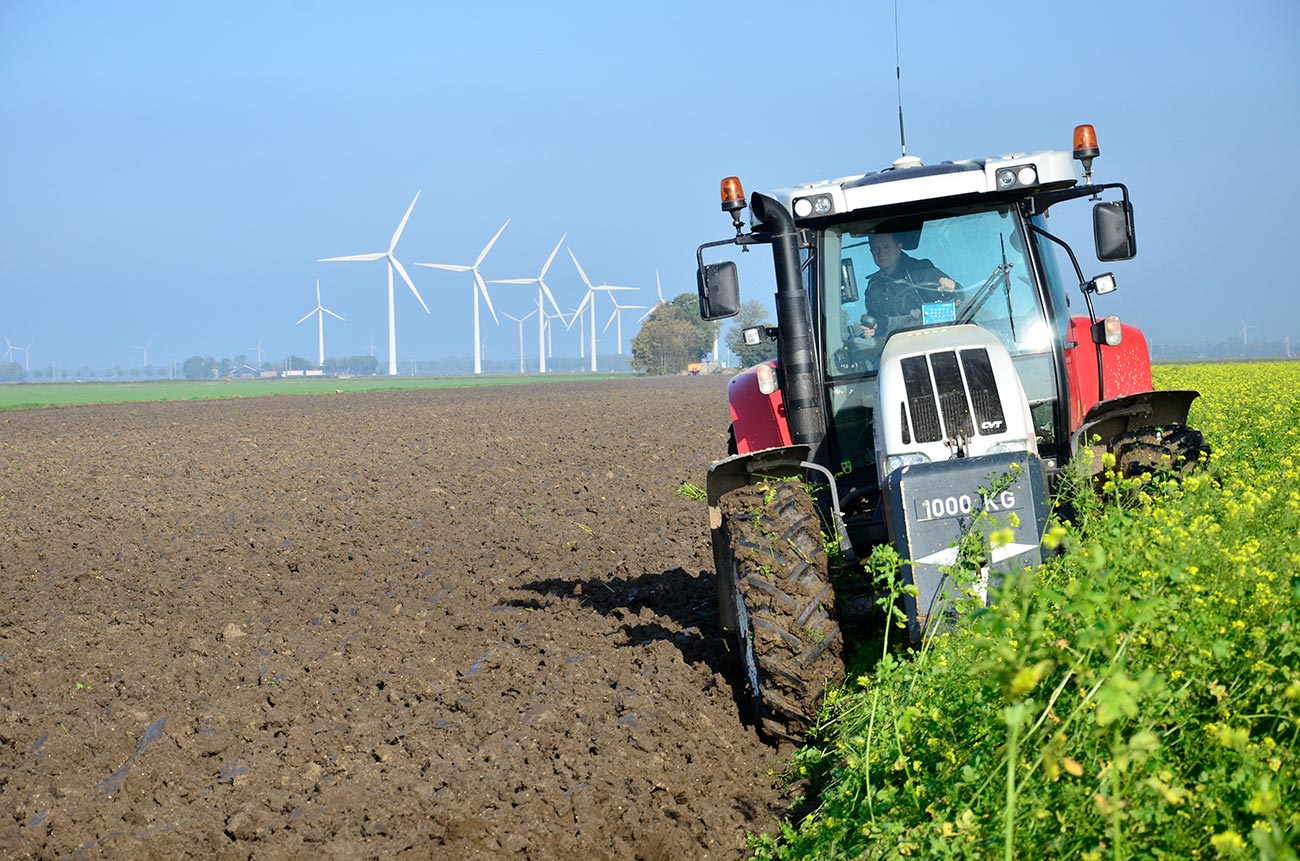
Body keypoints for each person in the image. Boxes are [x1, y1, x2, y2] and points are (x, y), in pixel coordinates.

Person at [864, 233, 959, 323]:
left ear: (899, 247)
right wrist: (872, 329)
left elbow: (959, 295)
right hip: (892, 339)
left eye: (886, 247)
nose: (881, 253)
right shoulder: (873, 287)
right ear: (871, 252)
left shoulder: (921, 270)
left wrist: (950, 286)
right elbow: (875, 322)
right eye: (876, 249)